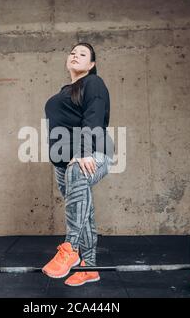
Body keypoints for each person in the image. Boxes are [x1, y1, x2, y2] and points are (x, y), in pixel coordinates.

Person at [42, 42, 114, 286]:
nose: (75, 55)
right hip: (63, 163)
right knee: (83, 210)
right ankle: (90, 267)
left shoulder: (93, 83)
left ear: (91, 64)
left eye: (82, 54)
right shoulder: (65, 90)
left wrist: (84, 152)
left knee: (78, 195)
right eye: (72, 52)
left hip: (93, 152)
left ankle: (70, 248)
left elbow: (93, 117)